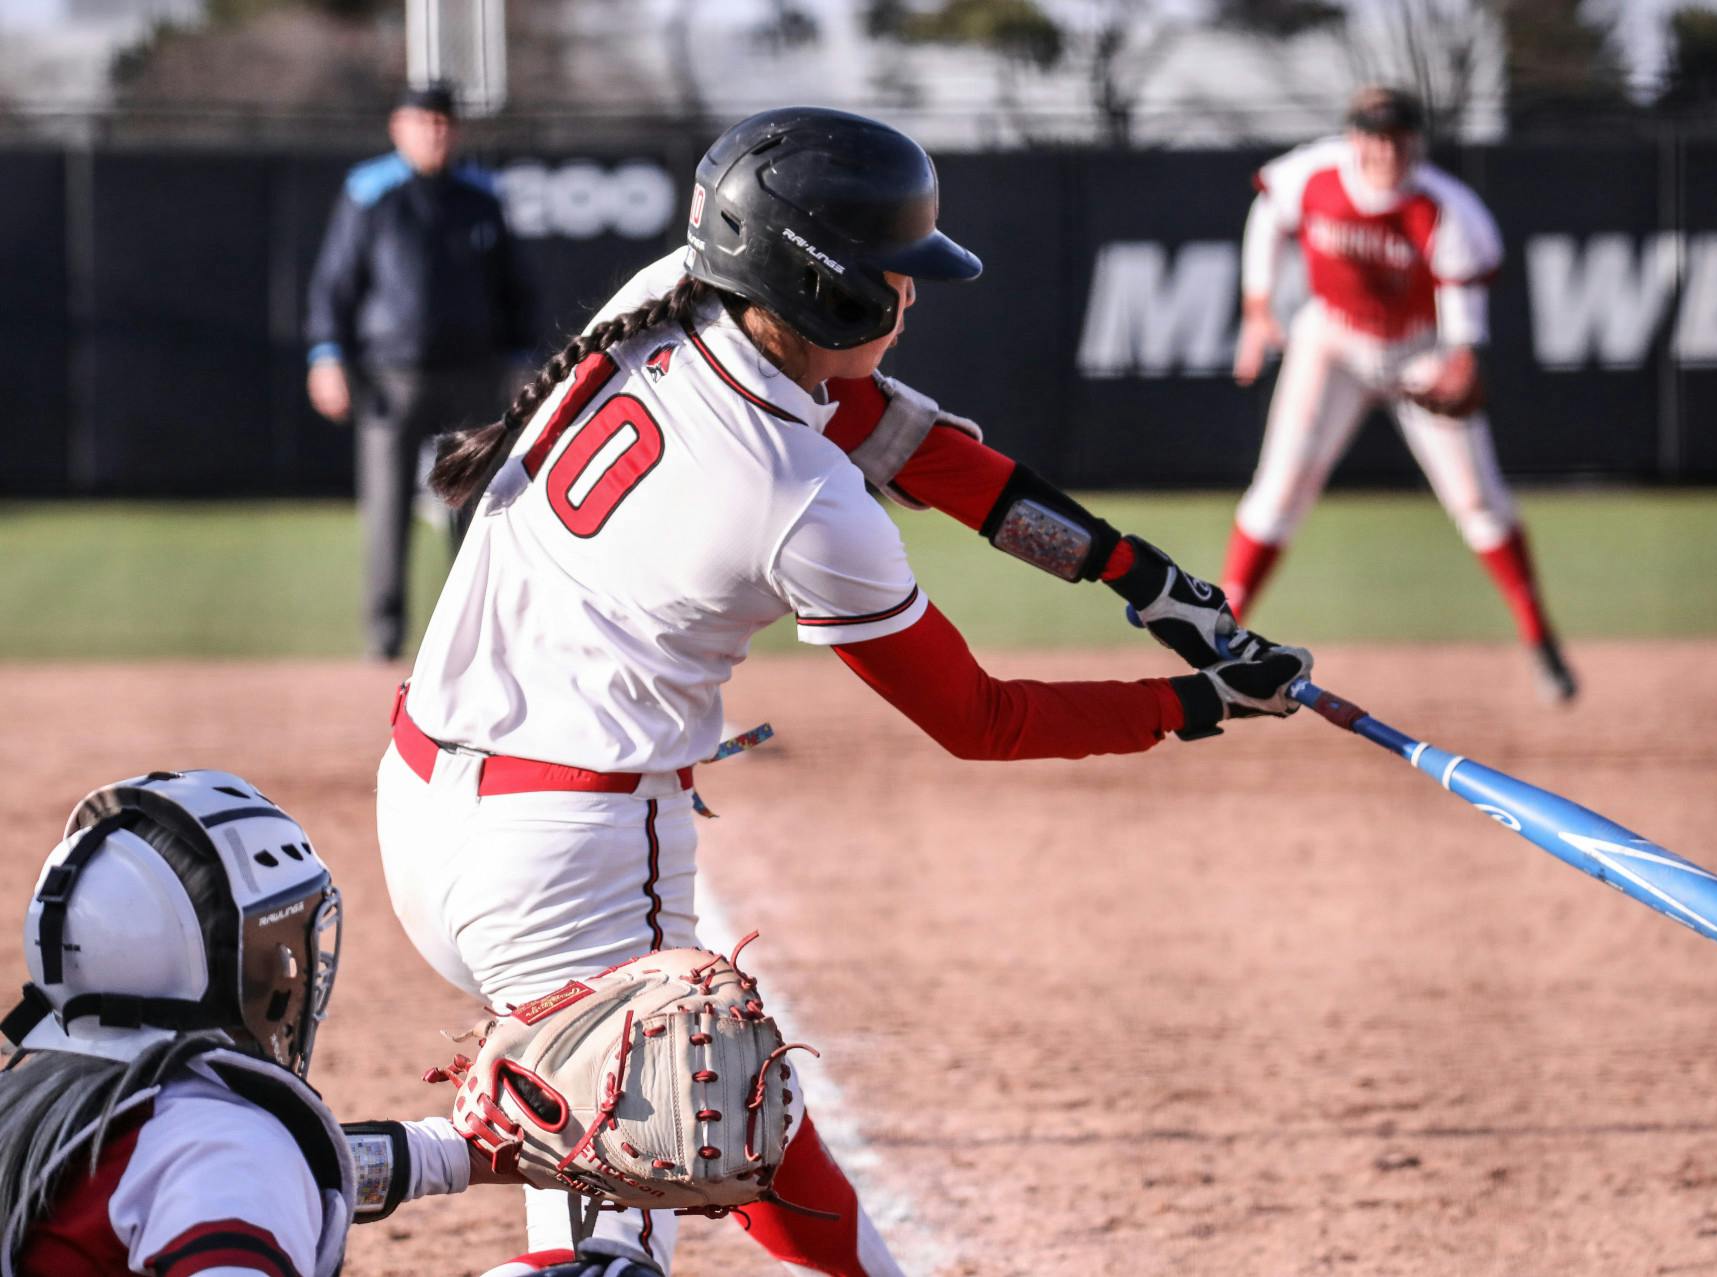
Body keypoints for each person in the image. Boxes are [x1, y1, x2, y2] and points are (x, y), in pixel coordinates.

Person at [378, 106, 1312, 1274]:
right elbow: (983, 721)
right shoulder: (805, 500)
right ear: (824, 287)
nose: (911, 297)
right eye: (893, 276)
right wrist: (1198, 705)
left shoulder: (672, 293)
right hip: (574, 859)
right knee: (635, 1204)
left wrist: (1137, 575)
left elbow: (911, 443)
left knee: (731, 1110)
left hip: (423, 801)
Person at [0, 767, 532, 1276]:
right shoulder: (222, 1143)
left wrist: (455, 1152)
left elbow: (256, 1171)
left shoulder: (41, 1095)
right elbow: (231, 1168)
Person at [1226, 86, 1578, 703]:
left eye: (1398, 136)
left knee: (1477, 499)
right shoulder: (1313, 172)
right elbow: (1269, 216)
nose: (1385, 148)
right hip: (1331, 337)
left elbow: (1464, 326)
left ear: (1416, 141)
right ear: (1354, 135)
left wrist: (1464, 363)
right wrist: (1259, 305)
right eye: (1373, 133)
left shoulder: (1446, 208)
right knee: (1280, 487)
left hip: (1418, 349)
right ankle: (1220, 633)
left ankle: (1540, 641)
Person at [305, 80, 538, 662]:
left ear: (454, 130)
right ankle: (383, 640)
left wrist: (519, 362)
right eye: (422, 120)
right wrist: (325, 355)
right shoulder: (371, 192)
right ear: (398, 127)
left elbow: (515, 291)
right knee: (386, 511)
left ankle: (471, 640)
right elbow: (335, 283)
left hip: (471, 375)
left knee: (477, 511)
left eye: (443, 121)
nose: (434, 131)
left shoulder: (481, 195)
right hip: (392, 377)